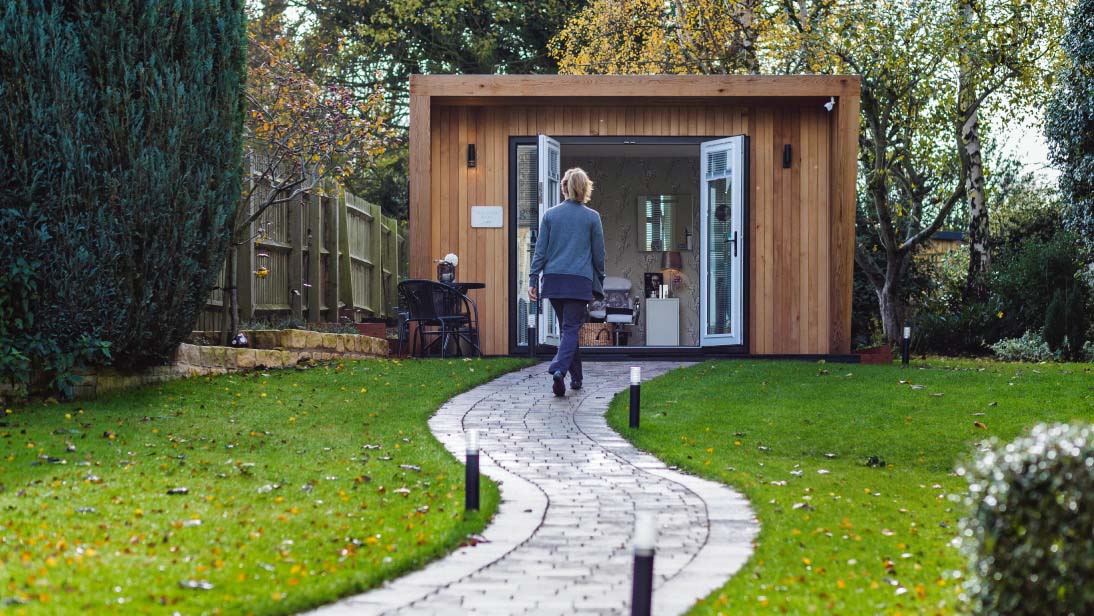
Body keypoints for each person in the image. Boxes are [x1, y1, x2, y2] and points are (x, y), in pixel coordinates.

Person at [529, 167, 606, 396]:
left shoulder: (550, 215)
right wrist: (598, 282)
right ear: (585, 189)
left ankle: (577, 379)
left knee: (568, 331)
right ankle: (559, 369)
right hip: (579, 282)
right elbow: (599, 255)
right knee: (571, 329)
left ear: (564, 187)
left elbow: (540, 251)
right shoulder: (592, 217)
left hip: (554, 282)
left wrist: (533, 278)